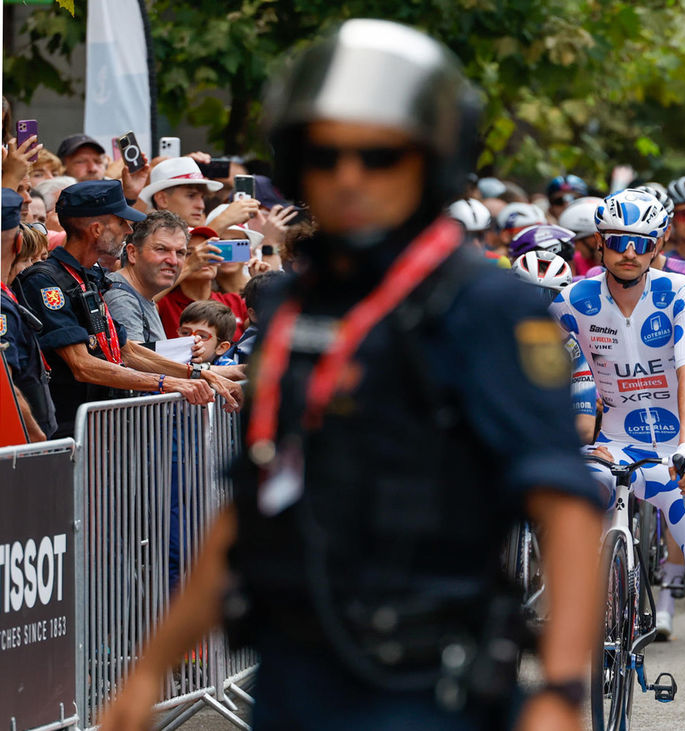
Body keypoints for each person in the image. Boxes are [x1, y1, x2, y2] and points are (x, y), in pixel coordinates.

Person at [100, 20, 602, 731]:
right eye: (323, 154)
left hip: (429, 686)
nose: (348, 176)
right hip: (293, 679)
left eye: (378, 155)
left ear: (431, 160)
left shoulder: (488, 307)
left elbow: (565, 504)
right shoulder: (291, 306)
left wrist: (560, 694)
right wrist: (149, 669)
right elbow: (253, 501)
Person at [551, 186, 685, 731]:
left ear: (659, 242)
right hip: (610, 445)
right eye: (617, 242)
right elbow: (558, 382)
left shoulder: (679, 293)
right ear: (600, 244)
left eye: (641, 243)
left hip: (677, 448)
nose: (628, 253)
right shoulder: (572, 302)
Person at [14, 180, 240, 439]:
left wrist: (198, 374)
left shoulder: (90, 276)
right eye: (121, 222)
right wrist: (170, 382)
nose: (127, 229)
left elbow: (126, 349)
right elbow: (82, 365)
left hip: (102, 432)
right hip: (67, 434)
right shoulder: (45, 281)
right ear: (97, 229)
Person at [1, 190, 55, 440]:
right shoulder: (3, 307)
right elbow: (6, 386)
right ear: (18, 244)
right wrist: (37, 438)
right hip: (19, 444)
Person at [104, 210, 187, 344]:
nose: (173, 261)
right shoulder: (122, 299)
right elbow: (135, 362)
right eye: (161, 249)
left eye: (180, 253)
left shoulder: (141, 294)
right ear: (132, 253)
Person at [178, 300, 239, 366]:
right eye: (185, 333)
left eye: (202, 336)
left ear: (221, 347)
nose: (192, 339)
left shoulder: (228, 367)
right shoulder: (170, 358)